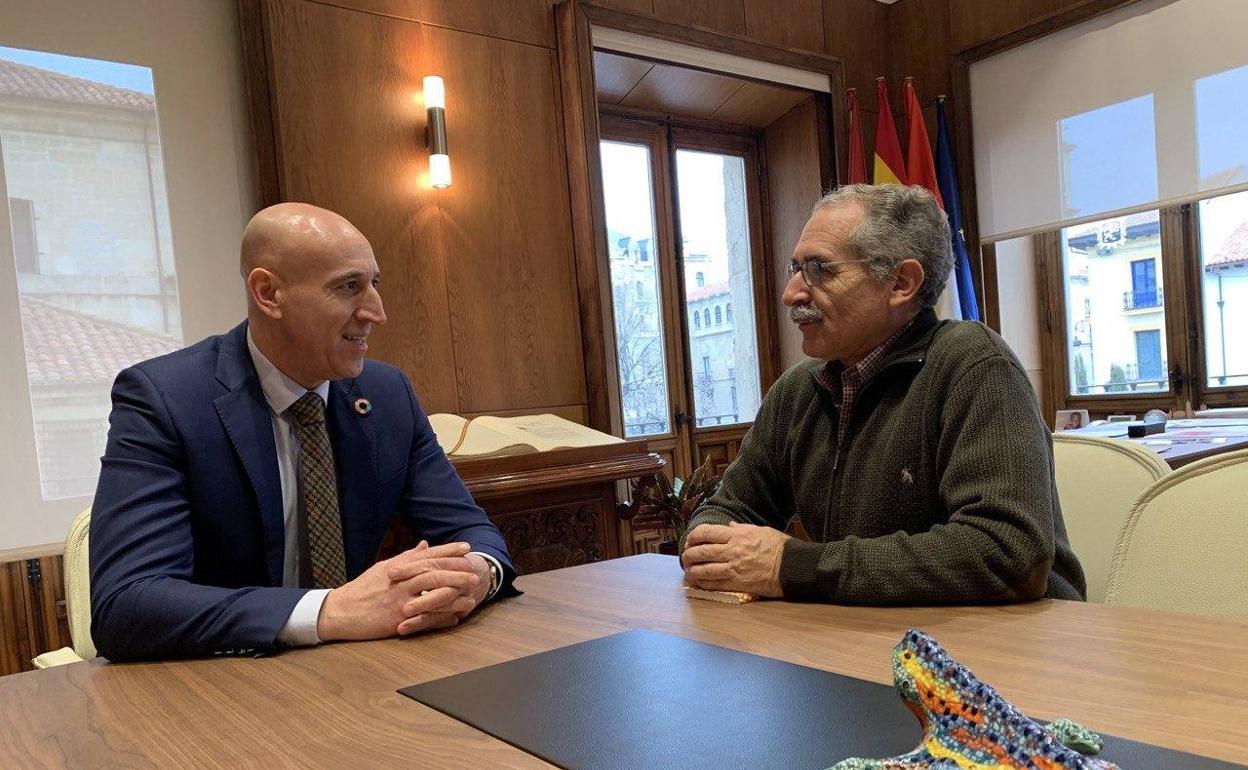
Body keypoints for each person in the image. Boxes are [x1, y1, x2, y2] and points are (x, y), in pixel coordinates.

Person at [90, 202, 517, 661]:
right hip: (223, 685)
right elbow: (127, 605)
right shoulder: (164, 399)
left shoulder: (386, 393)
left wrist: (476, 575)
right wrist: (329, 611)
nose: (376, 312)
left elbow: (471, 531)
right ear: (268, 293)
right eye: (349, 287)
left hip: (357, 673)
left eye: (374, 284)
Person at [681, 184, 1085, 604]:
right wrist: (710, 550)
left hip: (1010, 651)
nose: (791, 293)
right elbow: (722, 514)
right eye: (795, 268)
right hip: (866, 638)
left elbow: (1008, 552)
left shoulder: (975, 365)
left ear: (901, 282)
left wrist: (792, 566)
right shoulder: (797, 392)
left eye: (819, 270)